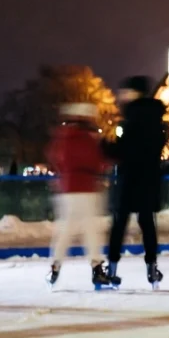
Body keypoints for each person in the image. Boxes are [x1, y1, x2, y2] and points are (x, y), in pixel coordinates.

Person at [103, 76, 168, 289]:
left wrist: (105, 146)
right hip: (149, 180)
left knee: (119, 225)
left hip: (129, 179)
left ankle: (111, 269)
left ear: (134, 93)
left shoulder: (132, 118)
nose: (122, 95)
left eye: (125, 91)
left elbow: (124, 151)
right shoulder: (156, 120)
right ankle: (151, 268)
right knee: (147, 223)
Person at [46, 103, 110, 290]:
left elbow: (53, 157)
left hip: (67, 189)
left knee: (65, 230)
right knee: (91, 231)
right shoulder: (89, 139)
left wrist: (62, 173)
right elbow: (99, 161)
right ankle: (97, 269)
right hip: (88, 188)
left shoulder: (62, 138)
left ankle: (55, 266)